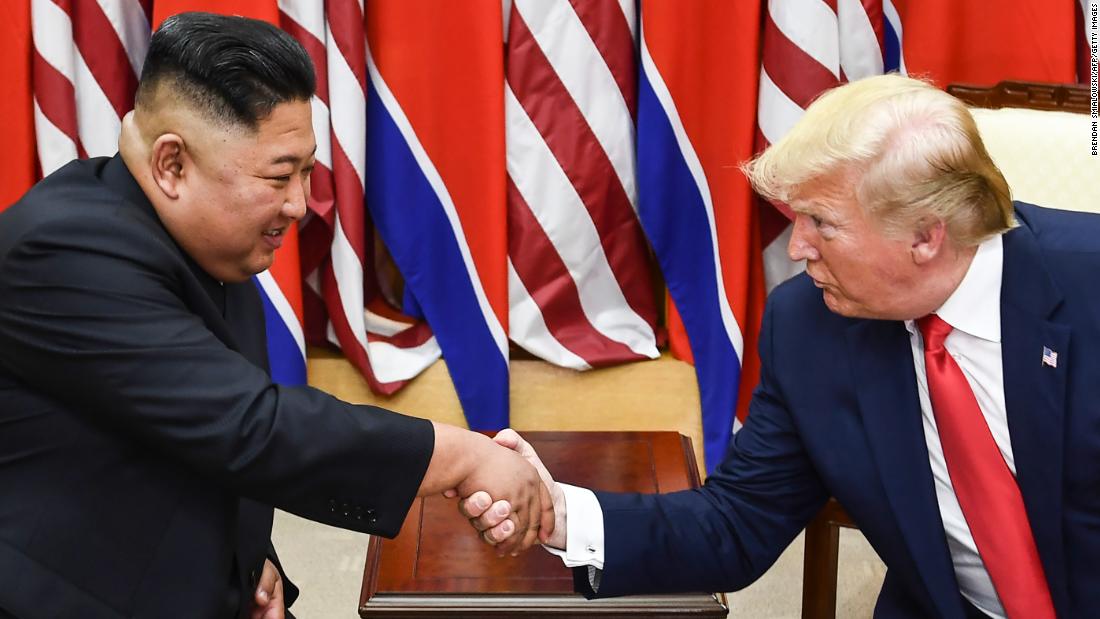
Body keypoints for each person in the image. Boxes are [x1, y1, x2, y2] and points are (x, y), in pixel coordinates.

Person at [464, 74, 1100, 618]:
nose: (797, 248)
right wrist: (560, 513)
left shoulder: (1088, 285)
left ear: (925, 236)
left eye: (821, 222)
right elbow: (737, 522)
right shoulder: (810, 326)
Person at [0, 13, 550, 619]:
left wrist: (250, 562)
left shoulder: (208, 239)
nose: (300, 204)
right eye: (279, 176)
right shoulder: (63, 251)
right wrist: (466, 456)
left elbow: (188, 432)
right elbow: (250, 426)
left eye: (308, 171)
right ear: (172, 165)